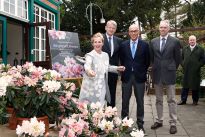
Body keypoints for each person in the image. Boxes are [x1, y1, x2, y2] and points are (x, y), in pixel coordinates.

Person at [150, 20, 181, 134]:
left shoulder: (175, 41)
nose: (162, 29)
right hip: (157, 74)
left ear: (168, 29)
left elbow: (178, 58)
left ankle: (173, 123)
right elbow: (152, 58)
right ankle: (159, 120)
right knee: (158, 100)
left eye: (164, 27)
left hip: (170, 73)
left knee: (171, 100)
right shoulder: (153, 41)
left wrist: (172, 67)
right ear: (159, 29)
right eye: (161, 27)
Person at [79, 32, 125, 107]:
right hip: (91, 87)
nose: (97, 44)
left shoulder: (105, 55)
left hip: (102, 85)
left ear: (102, 43)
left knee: (101, 106)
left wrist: (117, 68)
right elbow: (87, 65)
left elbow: (107, 67)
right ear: (93, 44)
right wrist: (89, 71)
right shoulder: (89, 55)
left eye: (99, 42)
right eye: (95, 42)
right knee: (90, 108)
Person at [119, 24, 150, 133]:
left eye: (135, 31)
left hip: (139, 77)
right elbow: (121, 60)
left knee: (140, 102)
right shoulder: (123, 45)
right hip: (127, 76)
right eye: (131, 31)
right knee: (125, 101)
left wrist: (140, 70)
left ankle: (140, 124)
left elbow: (147, 61)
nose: (133, 33)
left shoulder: (145, 45)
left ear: (138, 32)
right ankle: (124, 125)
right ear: (129, 32)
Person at [178, 35, 204, 106]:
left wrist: (198, 65)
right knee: (185, 86)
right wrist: (183, 64)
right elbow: (181, 58)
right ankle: (183, 100)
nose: (192, 41)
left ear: (195, 40)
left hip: (195, 71)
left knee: (195, 86)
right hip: (186, 70)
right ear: (188, 41)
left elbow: (203, 59)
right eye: (191, 40)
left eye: (193, 40)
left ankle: (195, 101)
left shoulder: (200, 49)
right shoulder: (185, 48)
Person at [102, 20, 123, 107]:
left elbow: (120, 56)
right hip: (101, 71)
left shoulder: (119, 41)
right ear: (106, 28)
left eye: (113, 28)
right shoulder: (100, 39)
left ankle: (110, 115)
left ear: (115, 30)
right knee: (101, 94)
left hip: (113, 72)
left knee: (112, 94)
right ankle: (99, 115)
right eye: (109, 27)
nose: (111, 29)